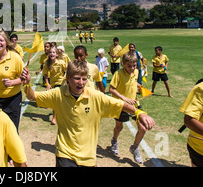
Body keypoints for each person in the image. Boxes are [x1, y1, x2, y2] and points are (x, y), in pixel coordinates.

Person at [21, 60, 155, 167]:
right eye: (77, 78)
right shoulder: (58, 94)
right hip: (64, 153)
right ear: (67, 78)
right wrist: (27, 84)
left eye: (84, 79)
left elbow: (120, 105)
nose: (81, 83)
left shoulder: (96, 96)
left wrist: (139, 113)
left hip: (88, 156)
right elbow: (33, 97)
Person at [109, 52, 151, 164]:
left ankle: (135, 147)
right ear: (123, 64)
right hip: (121, 105)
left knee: (142, 128)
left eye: (134, 66)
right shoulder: (118, 73)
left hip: (134, 104)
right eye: (129, 66)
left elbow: (133, 82)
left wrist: (139, 87)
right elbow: (111, 89)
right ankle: (114, 141)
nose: (132, 68)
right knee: (119, 127)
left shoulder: (136, 72)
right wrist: (124, 98)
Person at [0, 31, 24, 130]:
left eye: (1, 40)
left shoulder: (15, 57)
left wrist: (12, 82)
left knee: (12, 130)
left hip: (13, 100)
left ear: (6, 42)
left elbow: (24, 78)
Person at [42, 47, 67, 125]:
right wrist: (47, 84)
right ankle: (55, 116)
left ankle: (54, 118)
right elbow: (45, 74)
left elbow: (67, 70)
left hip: (61, 83)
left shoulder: (61, 62)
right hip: (53, 83)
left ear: (56, 54)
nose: (52, 54)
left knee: (58, 100)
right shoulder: (47, 63)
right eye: (50, 52)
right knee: (56, 101)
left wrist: (66, 79)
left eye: (53, 52)